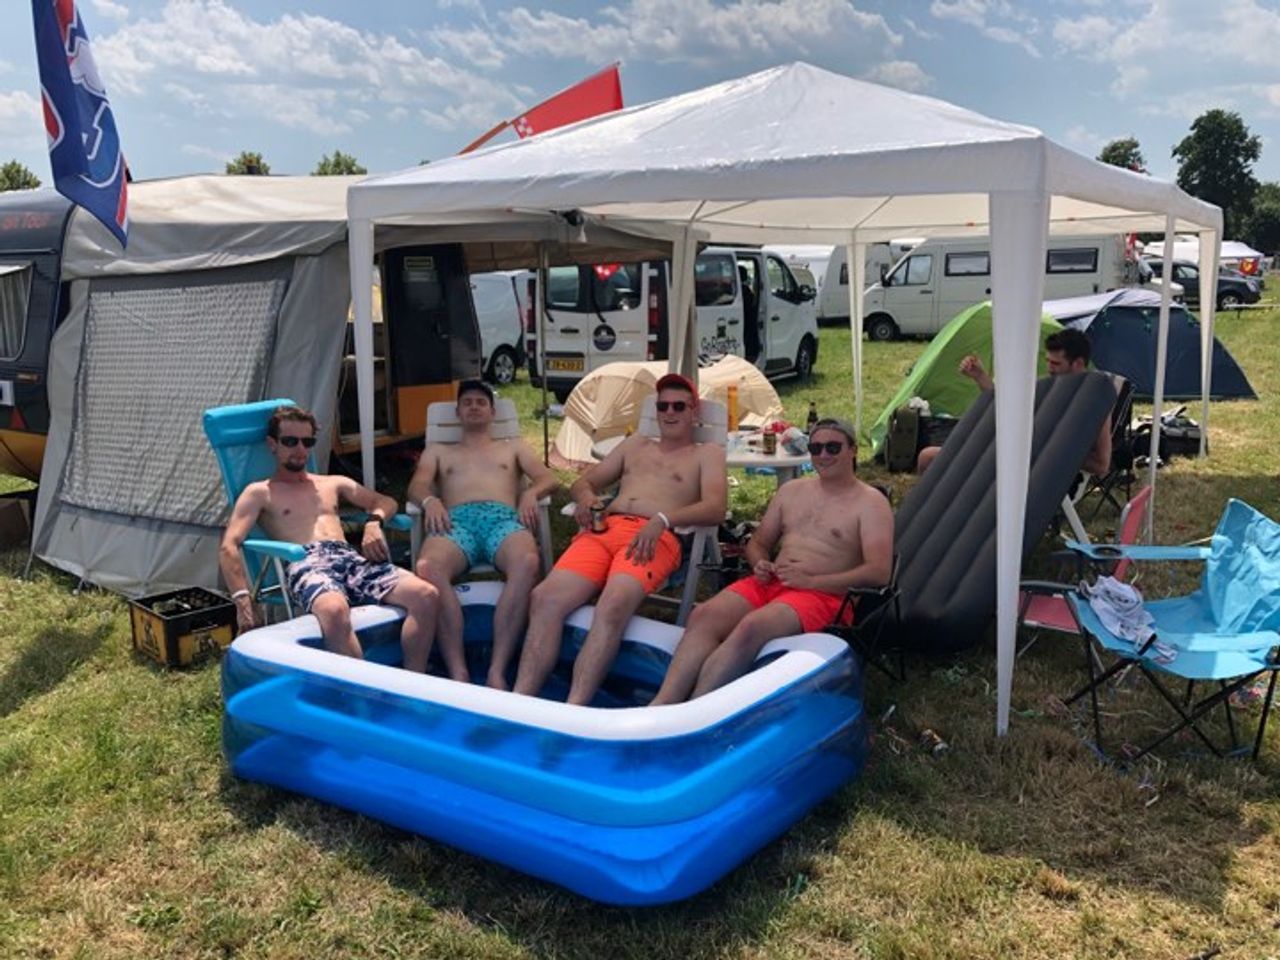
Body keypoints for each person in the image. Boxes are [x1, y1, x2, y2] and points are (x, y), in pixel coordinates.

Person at [513, 373, 728, 705]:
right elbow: (583, 483)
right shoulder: (634, 445)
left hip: (652, 538)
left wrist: (663, 519)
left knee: (613, 605)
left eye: (679, 406)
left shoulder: (706, 453)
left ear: (694, 412)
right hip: (604, 529)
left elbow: (716, 508)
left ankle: (574, 708)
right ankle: (519, 701)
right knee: (544, 598)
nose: (670, 412)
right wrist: (587, 500)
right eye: (663, 406)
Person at [651, 418, 893, 703]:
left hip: (824, 595)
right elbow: (758, 543)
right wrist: (759, 563)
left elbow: (879, 572)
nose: (824, 455)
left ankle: (696, 709)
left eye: (833, 447)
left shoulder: (870, 503)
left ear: (853, 450)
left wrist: (813, 581)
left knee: (751, 627)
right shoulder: (792, 491)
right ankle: (662, 704)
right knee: (703, 615)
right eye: (816, 448)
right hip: (773, 580)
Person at [219, 405, 440, 670]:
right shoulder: (259, 492)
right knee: (334, 610)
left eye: (307, 442)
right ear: (272, 444)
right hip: (306, 562)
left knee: (426, 595)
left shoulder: (333, 483)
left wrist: (374, 523)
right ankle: (362, 690)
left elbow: (386, 501)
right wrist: (243, 601)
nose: (300, 449)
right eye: (290, 441)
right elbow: (229, 546)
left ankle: (412, 682)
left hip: (351, 559)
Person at [406, 379, 559, 688]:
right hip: (455, 522)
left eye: (481, 402)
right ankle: (458, 670)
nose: (474, 407)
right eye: (467, 403)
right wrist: (430, 501)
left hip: (503, 520)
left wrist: (530, 494)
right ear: (458, 412)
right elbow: (417, 485)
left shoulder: (513, 447)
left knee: (528, 563)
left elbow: (548, 478)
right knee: (428, 568)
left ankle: (497, 669)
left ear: (492, 412)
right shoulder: (438, 451)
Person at [915, 329, 1111, 476]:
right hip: (1006, 457)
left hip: (1030, 473)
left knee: (930, 459)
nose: (1050, 369)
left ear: (1078, 364)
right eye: (1048, 361)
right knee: (927, 457)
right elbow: (1007, 407)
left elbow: (1102, 465)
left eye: (1056, 363)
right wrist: (980, 376)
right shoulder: (1050, 388)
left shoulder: (1093, 402)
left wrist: (1051, 448)